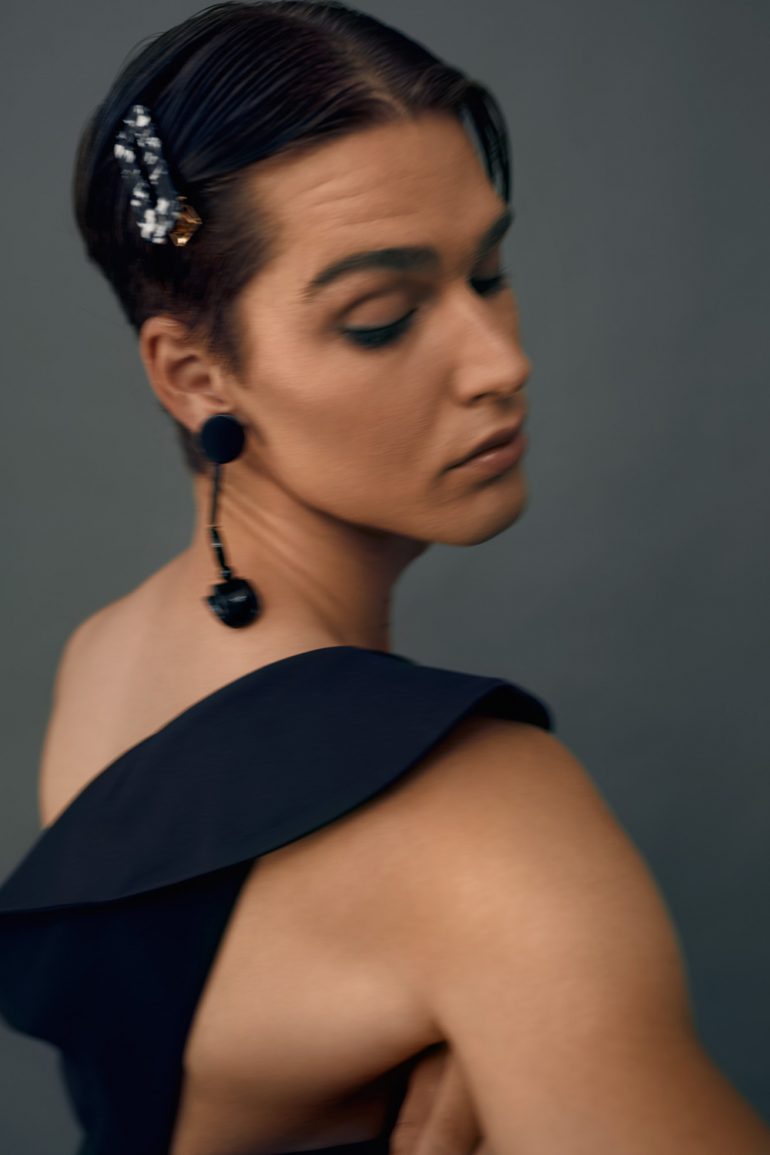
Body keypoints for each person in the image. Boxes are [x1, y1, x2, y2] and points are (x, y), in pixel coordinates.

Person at [0, 2, 768, 1153]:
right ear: (195, 375)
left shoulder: (106, 656)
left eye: (488, 272)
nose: (500, 361)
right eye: (382, 318)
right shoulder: (483, 824)